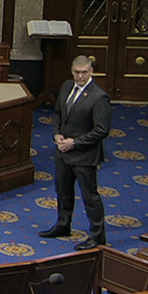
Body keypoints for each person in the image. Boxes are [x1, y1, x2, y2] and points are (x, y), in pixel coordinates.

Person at [39, 55, 112, 251]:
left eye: (84, 72)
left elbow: (101, 130)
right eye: (77, 72)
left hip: (84, 155)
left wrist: (75, 143)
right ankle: (63, 225)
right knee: (63, 191)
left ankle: (97, 236)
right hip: (63, 152)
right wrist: (57, 135)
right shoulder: (66, 87)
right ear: (72, 71)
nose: (80, 76)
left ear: (91, 71)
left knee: (90, 197)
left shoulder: (99, 96)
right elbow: (58, 115)